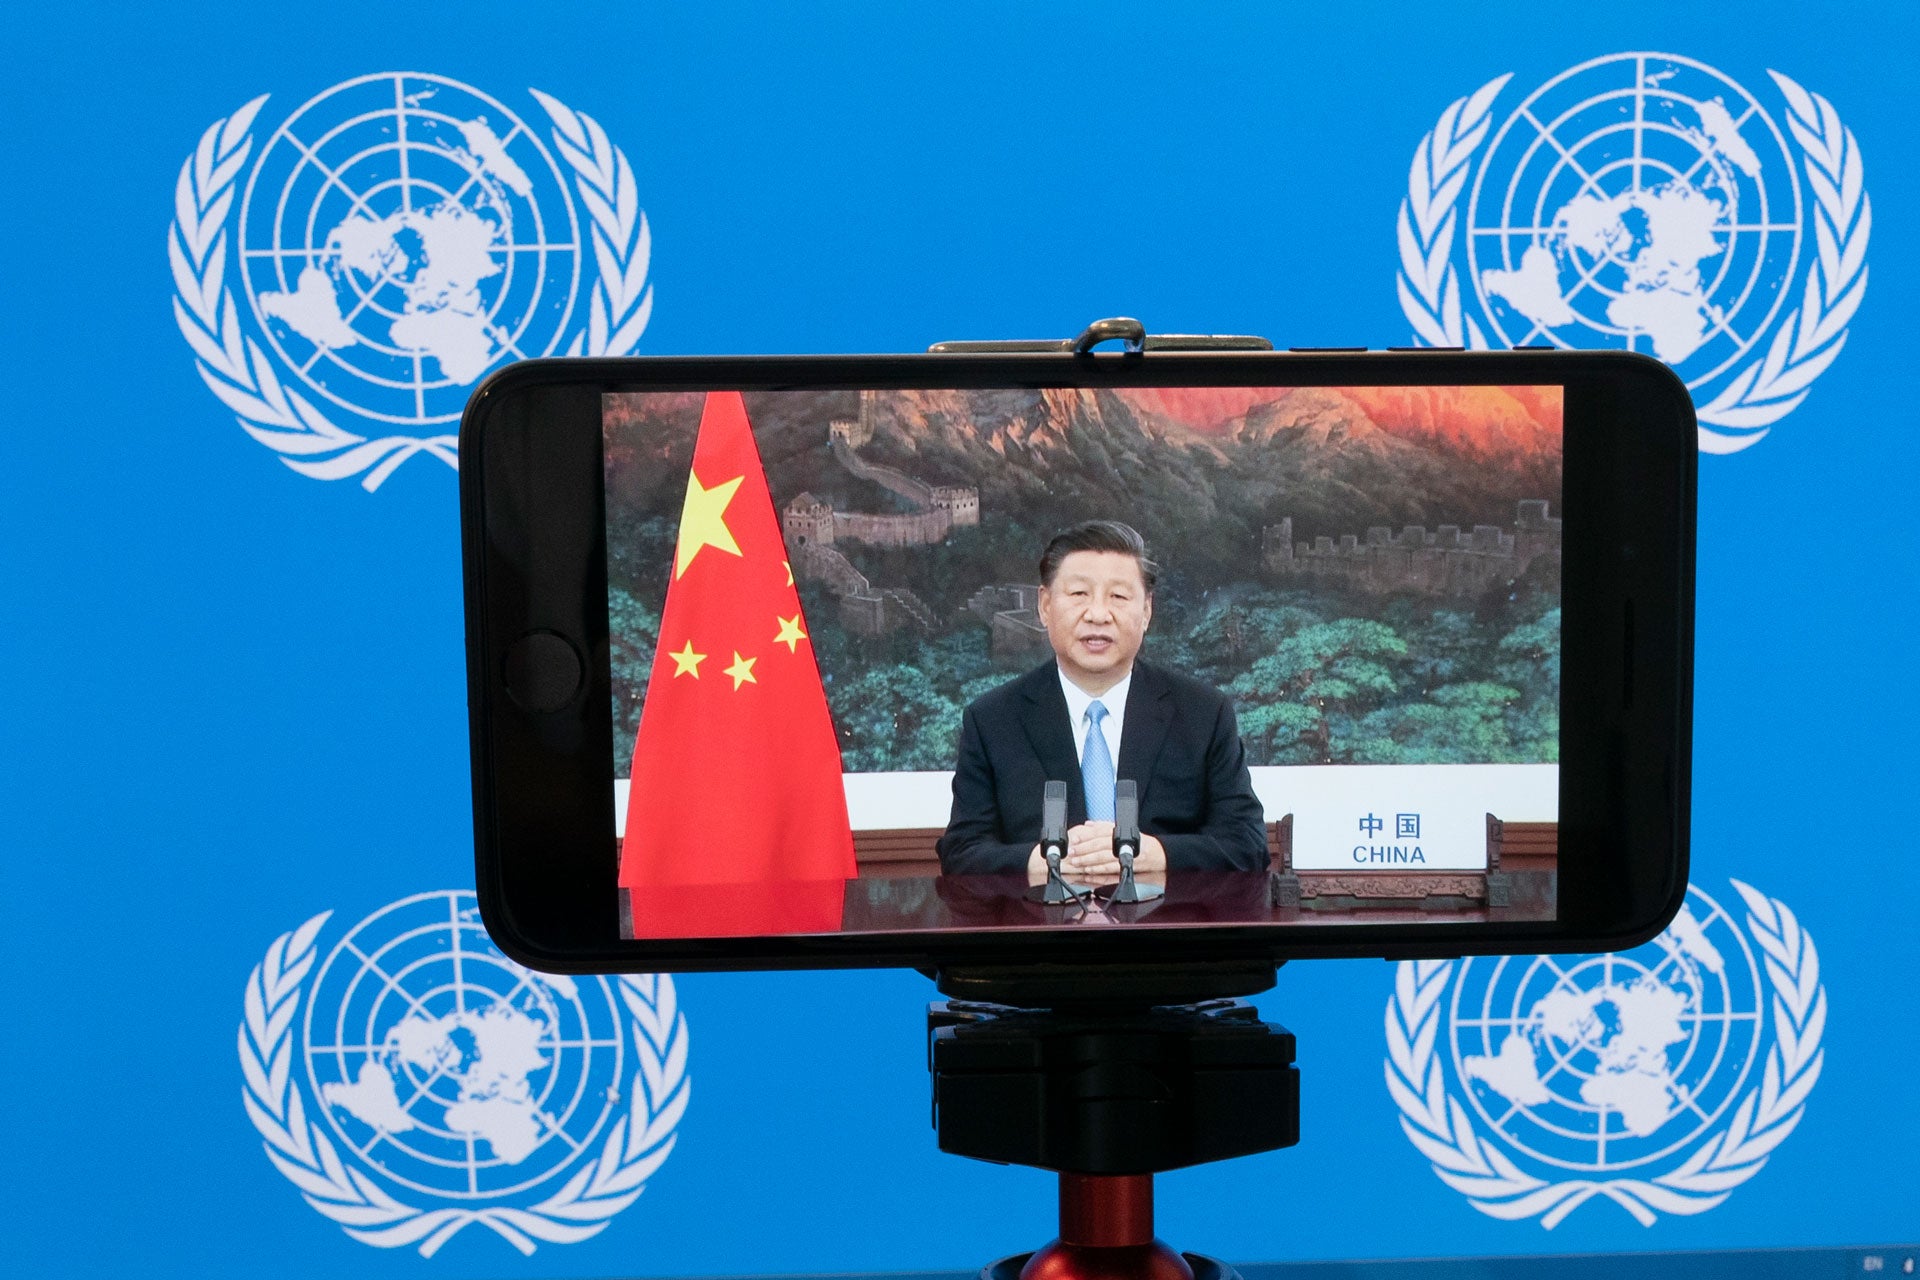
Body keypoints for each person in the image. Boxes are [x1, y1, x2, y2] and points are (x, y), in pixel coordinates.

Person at [937, 520, 1269, 878]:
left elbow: (1246, 843)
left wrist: (1154, 854)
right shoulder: (992, 720)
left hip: (1164, 926)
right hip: (1042, 927)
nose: (1097, 614)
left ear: (1146, 611)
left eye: (1119, 597)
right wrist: (1039, 863)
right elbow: (962, 852)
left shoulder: (1203, 713)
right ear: (1045, 605)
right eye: (1079, 594)